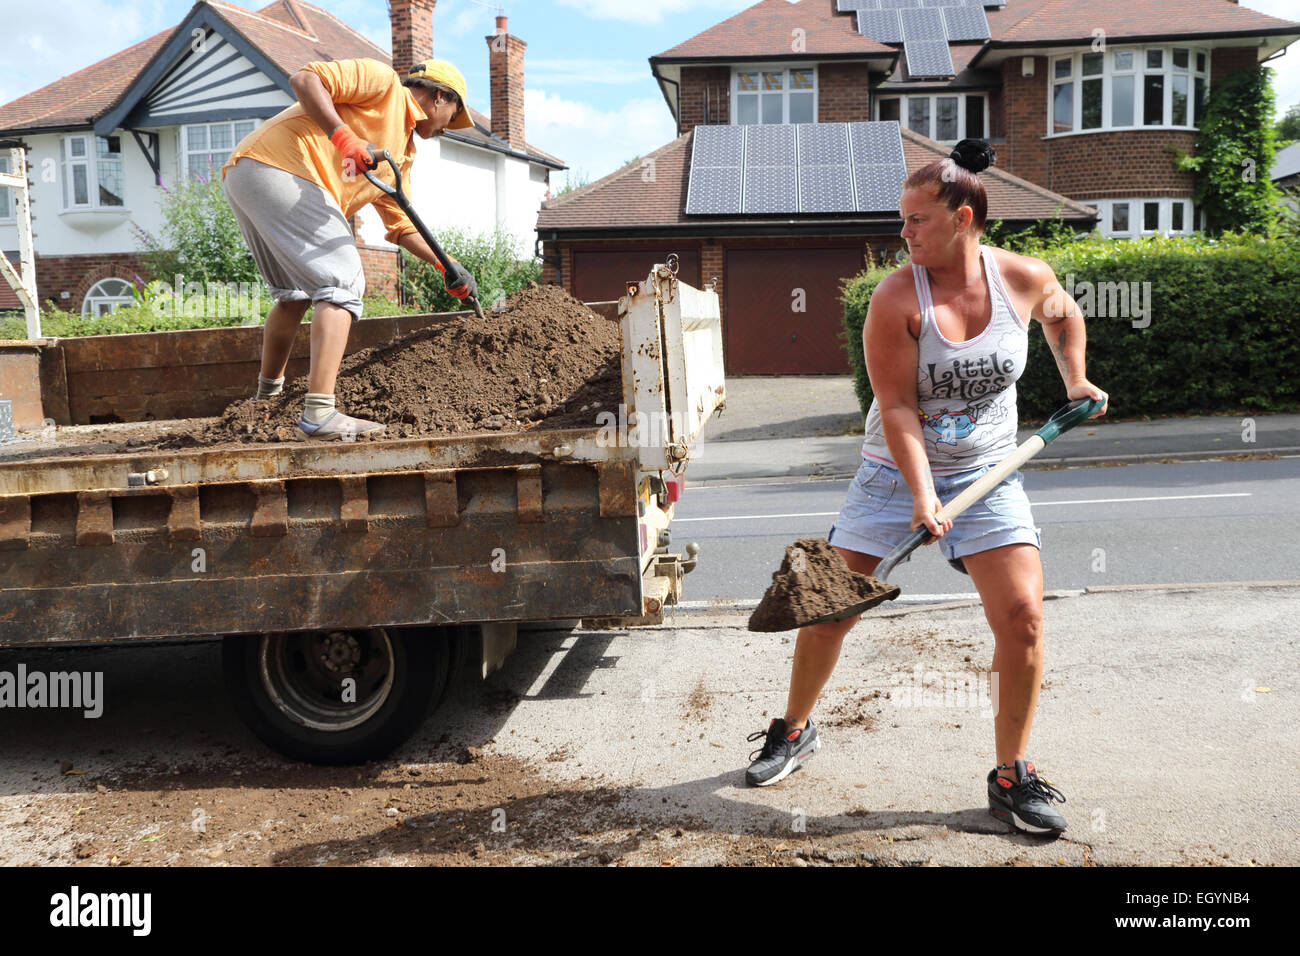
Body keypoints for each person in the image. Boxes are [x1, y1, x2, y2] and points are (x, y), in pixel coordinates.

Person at [744, 139, 1108, 836]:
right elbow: (899, 406)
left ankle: (1010, 776)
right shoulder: (893, 298)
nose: (903, 233)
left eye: (917, 220)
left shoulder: (1024, 278)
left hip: (988, 471)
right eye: (902, 219)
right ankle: (792, 728)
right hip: (892, 475)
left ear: (964, 218)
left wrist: (1076, 379)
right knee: (830, 611)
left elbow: (1063, 316)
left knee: (1024, 619)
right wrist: (920, 494)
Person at [221, 57, 479, 439]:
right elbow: (304, 78)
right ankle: (320, 414)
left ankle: (265, 400)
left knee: (295, 294)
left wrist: (448, 265)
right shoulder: (384, 84)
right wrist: (344, 137)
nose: (448, 128)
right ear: (441, 97)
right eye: (454, 115)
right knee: (341, 280)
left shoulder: (401, 157)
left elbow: (401, 225)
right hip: (281, 167)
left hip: (249, 175)